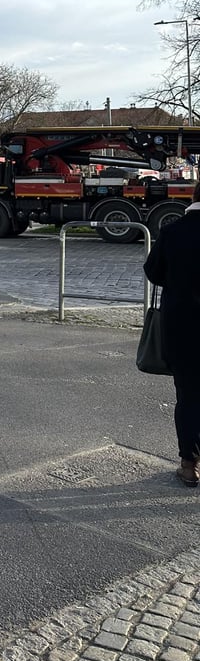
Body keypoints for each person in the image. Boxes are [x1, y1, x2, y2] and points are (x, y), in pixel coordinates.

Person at [143, 181, 200, 486]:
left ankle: (189, 465)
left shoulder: (173, 231)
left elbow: (153, 272)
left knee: (188, 395)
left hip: (182, 325)